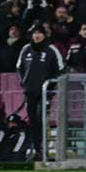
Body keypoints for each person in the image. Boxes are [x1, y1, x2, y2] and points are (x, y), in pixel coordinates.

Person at [16, 23, 65, 158]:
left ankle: (42, 147)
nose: (37, 36)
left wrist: (51, 86)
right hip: (30, 91)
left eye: (39, 33)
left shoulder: (51, 50)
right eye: (34, 33)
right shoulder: (26, 49)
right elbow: (19, 67)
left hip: (45, 93)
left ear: (44, 35)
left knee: (41, 118)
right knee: (32, 119)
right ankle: (36, 148)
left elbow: (60, 69)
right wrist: (23, 83)